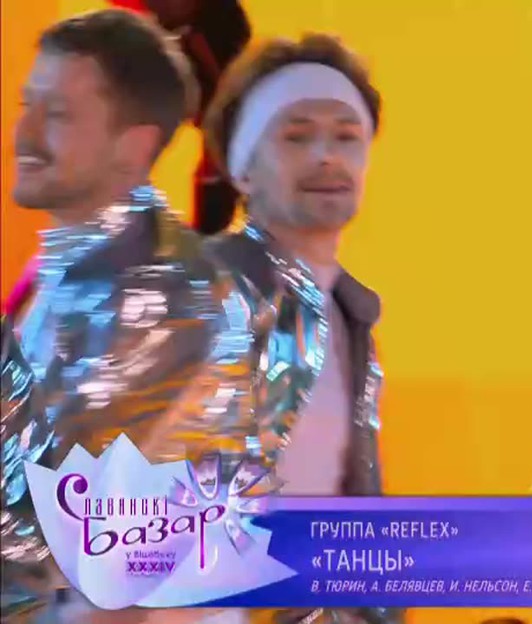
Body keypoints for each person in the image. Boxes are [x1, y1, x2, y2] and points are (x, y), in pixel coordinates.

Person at [0, 9, 294, 623]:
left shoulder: (171, 303)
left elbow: (109, 574)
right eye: (28, 106)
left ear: (131, 147)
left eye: (58, 115)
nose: (23, 134)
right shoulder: (63, 269)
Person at [201, 34, 398, 624]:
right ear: (243, 169)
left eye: (347, 137)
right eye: (296, 136)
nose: (327, 156)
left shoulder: (354, 317)